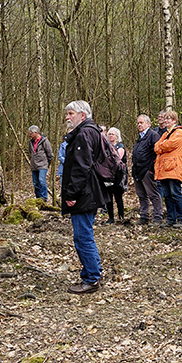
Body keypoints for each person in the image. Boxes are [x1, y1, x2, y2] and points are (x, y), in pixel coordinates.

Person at [61, 100, 106, 294]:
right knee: (85, 235)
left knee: (82, 237)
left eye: (71, 113)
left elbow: (81, 167)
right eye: (67, 113)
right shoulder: (90, 131)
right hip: (89, 192)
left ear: (83, 115)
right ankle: (94, 272)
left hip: (84, 194)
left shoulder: (84, 134)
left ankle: (91, 279)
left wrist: (71, 193)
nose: (67, 117)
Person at [154, 110, 182, 228]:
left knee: (175, 193)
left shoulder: (178, 132)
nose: (167, 120)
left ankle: (181, 218)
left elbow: (169, 145)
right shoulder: (165, 134)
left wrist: (162, 146)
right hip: (163, 169)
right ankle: (171, 219)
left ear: (174, 120)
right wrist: (162, 146)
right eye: (166, 118)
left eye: (169, 119)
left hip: (173, 168)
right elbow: (156, 147)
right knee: (167, 195)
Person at [132, 114, 163, 225]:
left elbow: (157, 154)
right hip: (137, 170)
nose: (139, 125)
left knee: (153, 194)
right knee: (141, 195)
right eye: (138, 123)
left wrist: (151, 169)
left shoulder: (153, 135)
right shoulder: (140, 137)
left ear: (148, 124)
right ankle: (144, 216)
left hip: (147, 170)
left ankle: (158, 217)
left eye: (141, 122)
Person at [104, 127, 127, 223]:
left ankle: (121, 216)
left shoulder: (120, 147)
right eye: (109, 134)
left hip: (118, 176)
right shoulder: (105, 146)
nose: (110, 136)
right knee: (108, 197)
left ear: (117, 136)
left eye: (112, 134)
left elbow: (117, 159)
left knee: (118, 197)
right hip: (107, 174)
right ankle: (111, 217)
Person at [28, 125, 54, 202]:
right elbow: (31, 152)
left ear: (35, 133)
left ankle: (44, 198)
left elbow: (50, 154)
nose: (29, 135)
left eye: (31, 133)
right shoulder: (31, 142)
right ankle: (38, 199)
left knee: (41, 181)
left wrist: (47, 164)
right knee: (35, 183)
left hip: (43, 165)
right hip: (34, 165)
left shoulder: (45, 141)